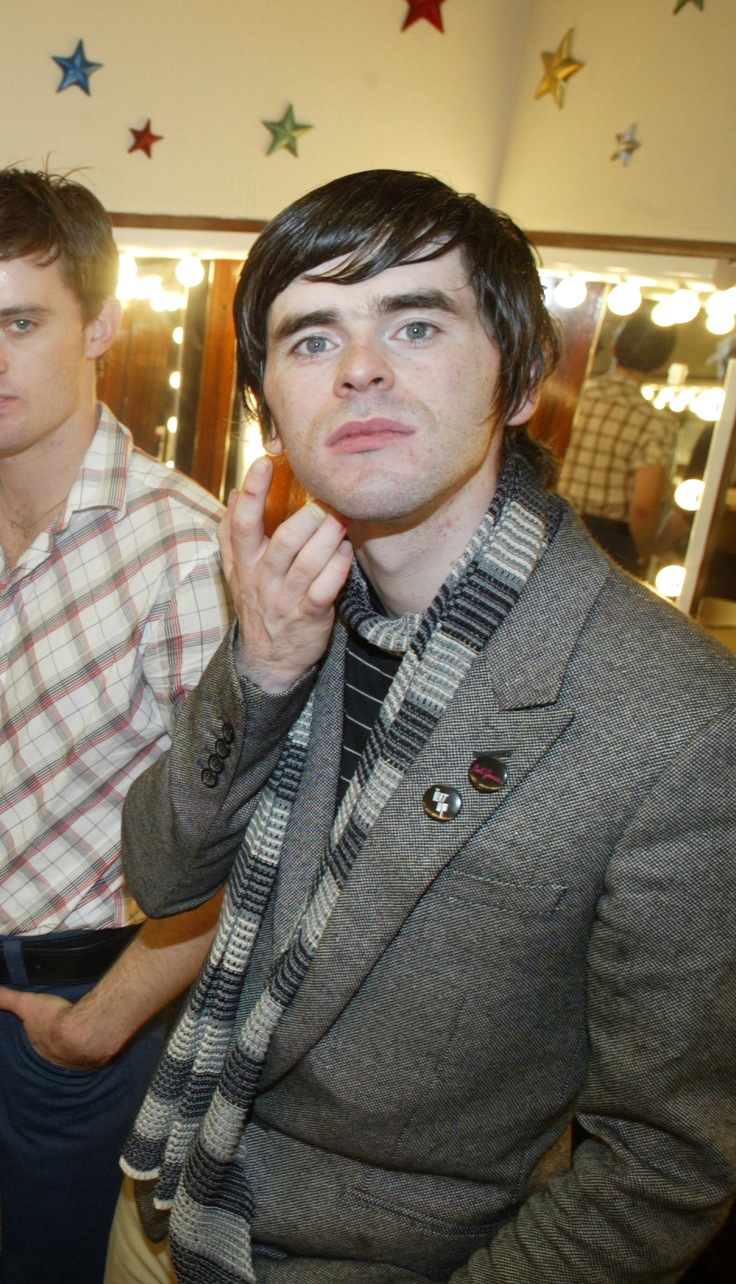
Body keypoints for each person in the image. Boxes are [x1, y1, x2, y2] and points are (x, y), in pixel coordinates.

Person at [118, 169, 736, 1282]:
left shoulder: (679, 720)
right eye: (311, 339)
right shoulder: (299, 600)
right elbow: (163, 877)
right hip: (175, 1188)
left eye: (415, 321)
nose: (359, 367)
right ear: (273, 409)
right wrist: (259, 671)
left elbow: (664, 1165)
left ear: (519, 379)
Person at [0, 168, 229, 1282]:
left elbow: (246, 844)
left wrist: (101, 1022)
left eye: (21, 323)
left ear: (101, 324)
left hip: (74, 995)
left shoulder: (188, 551)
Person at [556, 310, 680, 571]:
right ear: (661, 363)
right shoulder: (656, 422)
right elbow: (644, 507)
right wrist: (643, 550)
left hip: (553, 520)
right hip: (610, 541)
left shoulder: (570, 398)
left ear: (613, 348)